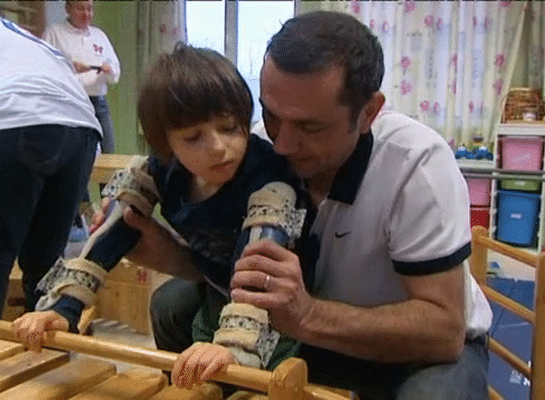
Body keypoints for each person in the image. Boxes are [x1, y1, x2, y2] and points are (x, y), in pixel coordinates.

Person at [146, 11, 493, 399]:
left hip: (414, 352)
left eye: (310, 127)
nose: (282, 144)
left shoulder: (416, 165)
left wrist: (308, 315)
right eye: (272, 115)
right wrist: (171, 255)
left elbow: (443, 331)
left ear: (368, 113)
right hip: (310, 334)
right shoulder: (257, 150)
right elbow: (226, 267)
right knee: (173, 302)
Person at [11, 44, 311, 388]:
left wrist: (233, 346)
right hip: (216, 287)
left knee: (240, 378)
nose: (217, 147)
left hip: (274, 306)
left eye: (229, 127)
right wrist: (62, 308)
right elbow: (112, 232)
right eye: (193, 137)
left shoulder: (269, 178)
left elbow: (261, 269)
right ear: (165, 144)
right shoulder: (158, 170)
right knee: (182, 338)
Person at [0, 18, 101, 315]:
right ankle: (47, 351)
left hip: (18, 117)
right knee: (46, 261)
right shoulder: (20, 35)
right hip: (81, 126)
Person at [43, 0, 120, 154]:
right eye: (80, 9)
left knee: (109, 151)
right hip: (69, 102)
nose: (86, 14)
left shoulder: (99, 36)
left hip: (98, 103)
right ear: (68, 8)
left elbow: (115, 72)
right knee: (73, 155)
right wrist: (70, 67)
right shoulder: (54, 33)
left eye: (89, 9)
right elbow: (44, 69)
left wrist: (109, 70)